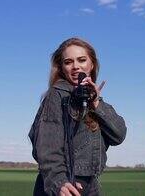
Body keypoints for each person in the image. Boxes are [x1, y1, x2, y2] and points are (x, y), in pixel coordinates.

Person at [29, 37, 127, 196]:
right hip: (65, 186)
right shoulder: (57, 96)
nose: (75, 66)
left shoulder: (93, 100)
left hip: (90, 186)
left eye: (82, 60)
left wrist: (95, 102)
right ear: (61, 68)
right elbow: (46, 147)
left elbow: (119, 135)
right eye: (68, 62)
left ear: (92, 64)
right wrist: (59, 183)